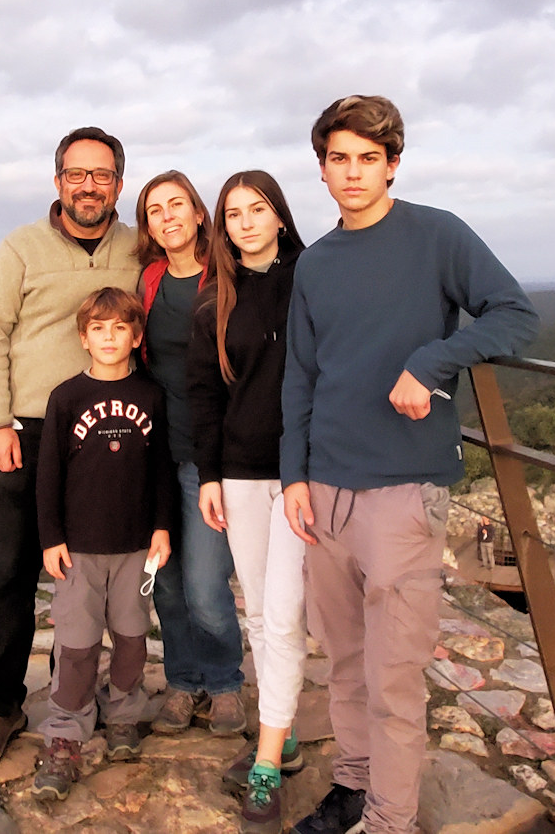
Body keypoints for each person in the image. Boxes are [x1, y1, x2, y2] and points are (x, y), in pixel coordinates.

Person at [280, 96, 540, 834]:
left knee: (393, 677)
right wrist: (294, 475)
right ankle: (354, 788)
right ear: (323, 167)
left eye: (369, 158)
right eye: (339, 159)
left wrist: (430, 361)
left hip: (402, 492)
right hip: (325, 491)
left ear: (393, 163)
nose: (353, 173)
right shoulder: (318, 263)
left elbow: (514, 315)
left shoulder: (437, 235)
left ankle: (389, 821)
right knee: (345, 663)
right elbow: (300, 375)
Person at [0, 127, 140, 778]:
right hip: (33, 430)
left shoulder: (137, 246)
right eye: (76, 173)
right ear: (58, 180)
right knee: (13, 570)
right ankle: (0, 702)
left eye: (101, 175)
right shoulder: (21, 247)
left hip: (112, 429)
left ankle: (100, 696)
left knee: (105, 568)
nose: (88, 186)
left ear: (119, 183)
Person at [187, 171, 308, 834]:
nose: (245, 222)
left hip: (300, 473)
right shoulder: (216, 303)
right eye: (232, 214)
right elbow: (204, 396)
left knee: (284, 614)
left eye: (256, 209)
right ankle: (281, 734)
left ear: (280, 216)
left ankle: (266, 764)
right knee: (259, 613)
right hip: (239, 472)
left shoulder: (313, 279)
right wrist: (209, 475)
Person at [32, 287, 175, 801]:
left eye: (120, 328)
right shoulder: (65, 397)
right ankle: (66, 731)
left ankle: (123, 716)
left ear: (137, 337)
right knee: (76, 642)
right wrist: (51, 537)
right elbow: (47, 476)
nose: (109, 337)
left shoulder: (152, 395)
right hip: (80, 548)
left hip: (136, 544)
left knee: (133, 635)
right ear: (83, 337)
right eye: (99, 328)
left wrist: (162, 528)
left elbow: (162, 470)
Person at [135, 170, 247, 736]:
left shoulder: (224, 276)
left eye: (177, 204)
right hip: (156, 450)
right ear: (147, 226)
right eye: (155, 210)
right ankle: (184, 682)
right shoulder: (150, 280)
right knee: (169, 585)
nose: (168, 216)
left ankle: (226, 681)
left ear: (200, 213)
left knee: (205, 586)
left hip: (209, 456)